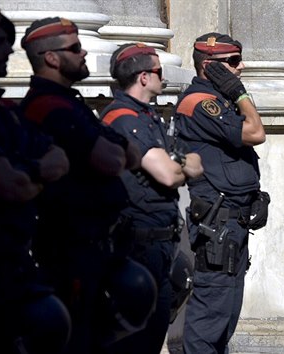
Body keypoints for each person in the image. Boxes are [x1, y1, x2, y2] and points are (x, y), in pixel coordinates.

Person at [20, 17, 142, 354]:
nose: (84, 51)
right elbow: (114, 160)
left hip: (96, 245)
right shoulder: (49, 106)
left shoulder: (72, 104)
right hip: (70, 248)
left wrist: (111, 149)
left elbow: (131, 155)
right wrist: (111, 149)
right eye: (75, 48)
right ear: (52, 58)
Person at [0, 6, 71, 353]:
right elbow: (10, 184)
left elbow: (60, 159)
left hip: (15, 260)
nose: (9, 50)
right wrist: (32, 173)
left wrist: (24, 173)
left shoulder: (4, 109)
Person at [100, 42, 203, 354]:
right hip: (137, 245)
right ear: (143, 77)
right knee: (135, 340)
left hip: (159, 244)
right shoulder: (122, 118)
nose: (164, 77)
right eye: (159, 71)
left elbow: (192, 162)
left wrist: (179, 163)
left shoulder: (148, 117)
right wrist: (181, 164)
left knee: (153, 332)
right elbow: (170, 174)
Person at [174, 32, 269, 353]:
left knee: (226, 314)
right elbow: (256, 132)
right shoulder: (199, 103)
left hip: (233, 221)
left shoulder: (220, 101)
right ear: (209, 68)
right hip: (218, 222)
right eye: (232, 62)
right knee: (210, 313)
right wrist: (241, 94)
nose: (240, 67)